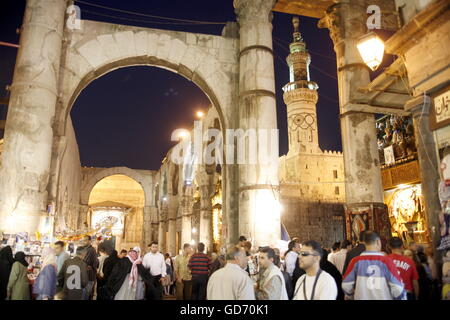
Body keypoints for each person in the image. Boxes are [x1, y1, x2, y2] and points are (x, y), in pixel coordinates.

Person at [342, 231, 406, 300]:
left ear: (364, 243)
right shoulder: (386, 261)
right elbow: (398, 288)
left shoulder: (355, 261)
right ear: (378, 242)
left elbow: (346, 285)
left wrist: (352, 296)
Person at [78, 235, 99, 300]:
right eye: (83, 240)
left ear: (90, 241)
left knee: (85, 296)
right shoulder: (85, 249)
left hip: (88, 277)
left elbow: (84, 262)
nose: (83, 242)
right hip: (85, 276)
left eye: (85, 240)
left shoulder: (91, 250)